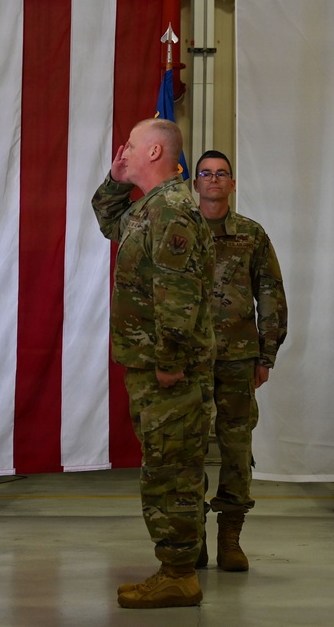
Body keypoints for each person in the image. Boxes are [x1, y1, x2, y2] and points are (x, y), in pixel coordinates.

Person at [91, 118, 216, 609]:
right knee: (163, 464)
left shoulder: (173, 214)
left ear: (157, 150)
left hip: (168, 370)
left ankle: (179, 572)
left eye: (132, 145)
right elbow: (107, 219)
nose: (124, 149)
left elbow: (177, 296)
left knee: (173, 469)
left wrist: (169, 360)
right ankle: (174, 566)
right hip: (148, 366)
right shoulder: (149, 209)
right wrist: (116, 179)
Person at [191, 150, 287, 572]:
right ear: (195, 183)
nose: (214, 180)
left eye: (221, 174)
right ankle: (190, 537)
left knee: (235, 448)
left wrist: (266, 354)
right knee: (187, 448)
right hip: (188, 358)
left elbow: (270, 294)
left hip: (237, 358)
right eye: (206, 174)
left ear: (232, 183)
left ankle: (231, 537)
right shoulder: (177, 230)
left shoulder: (251, 234)